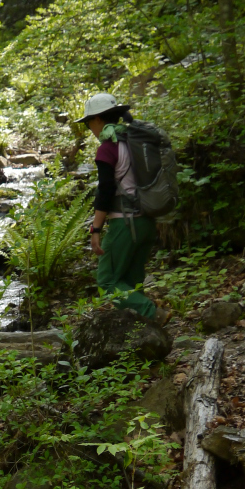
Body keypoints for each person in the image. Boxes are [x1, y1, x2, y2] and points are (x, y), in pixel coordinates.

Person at [82, 92, 169, 324]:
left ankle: (153, 314)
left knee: (108, 282)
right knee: (131, 279)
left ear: (99, 119)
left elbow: (106, 190)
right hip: (146, 221)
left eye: (89, 122)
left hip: (124, 224)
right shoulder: (134, 141)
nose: (89, 127)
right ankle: (146, 334)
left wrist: (96, 229)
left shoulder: (108, 148)